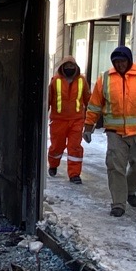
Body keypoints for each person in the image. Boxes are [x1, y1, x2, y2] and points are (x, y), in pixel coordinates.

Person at [83, 46, 136, 218]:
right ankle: (118, 204)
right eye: (116, 62)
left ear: (129, 60)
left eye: (123, 61)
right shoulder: (105, 78)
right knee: (115, 167)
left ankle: (130, 189)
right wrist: (88, 126)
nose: (120, 64)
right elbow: (94, 105)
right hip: (115, 132)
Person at [47, 55, 91, 183]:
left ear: (76, 67)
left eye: (72, 66)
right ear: (62, 67)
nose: (69, 68)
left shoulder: (82, 81)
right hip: (58, 121)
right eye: (67, 66)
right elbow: (49, 99)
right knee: (56, 146)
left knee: (75, 147)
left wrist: (93, 116)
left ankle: (74, 174)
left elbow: (88, 99)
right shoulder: (55, 80)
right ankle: (53, 165)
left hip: (76, 120)